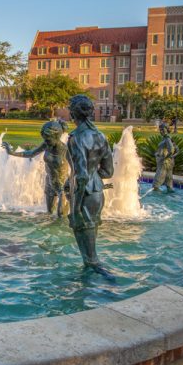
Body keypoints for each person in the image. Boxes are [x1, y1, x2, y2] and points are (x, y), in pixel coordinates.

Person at [66, 94, 114, 276]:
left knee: (88, 252)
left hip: (82, 194)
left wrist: (76, 208)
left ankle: (97, 280)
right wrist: (94, 177)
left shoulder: (75, 138)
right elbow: (108, 172)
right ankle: (94, 282)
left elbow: (81, 176)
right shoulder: (101, 136)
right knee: (90, 240)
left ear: (73, 113)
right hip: (96, 191)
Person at [3, 119, 69, 217]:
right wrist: (11, 152)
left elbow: (79, 164)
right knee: (49, 215)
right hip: (50, 184)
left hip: (62, 187)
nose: (46, 141)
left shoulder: (65, 150)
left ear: (56, 136)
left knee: (61, 219)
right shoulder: (47, 144)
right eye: (45, 138)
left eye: (48, 138)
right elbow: (31, 153)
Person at [153, 123, 178, 192]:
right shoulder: (166, 138)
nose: (161, 131)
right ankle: (170, 198)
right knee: (169, 183)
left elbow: (172, 150)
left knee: (156, 185)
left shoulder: (167, 139)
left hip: (164, 163)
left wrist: (164, 158)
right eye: (160, 130)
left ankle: (156, 200)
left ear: (167, 129)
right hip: (168, 163)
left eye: (163, 130)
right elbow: (177, 150)